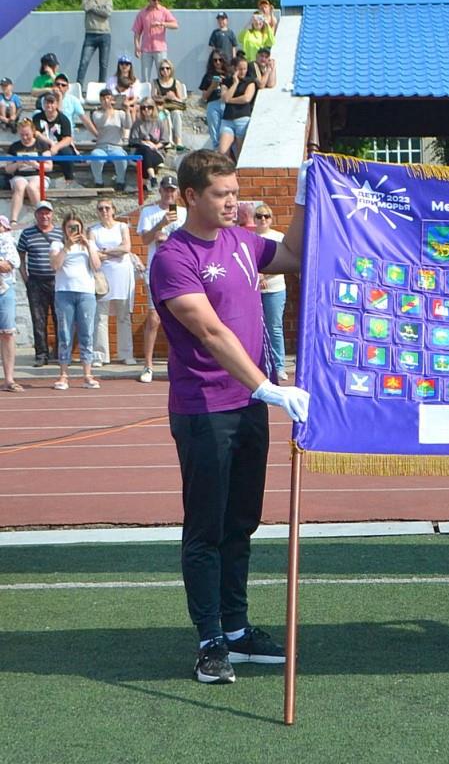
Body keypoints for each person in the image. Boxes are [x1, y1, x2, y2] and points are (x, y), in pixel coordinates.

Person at [148, 149, 309, 684]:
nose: (232, 203)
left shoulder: (242, 241)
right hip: (206, 410)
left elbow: (293, 254)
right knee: (207, 528)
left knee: (241, 522)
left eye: (235, 193)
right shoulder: (173, 257)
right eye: (221, 194)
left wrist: (305, 196)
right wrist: (267, 385)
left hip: (249, 407)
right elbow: (211, 331)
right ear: (191, 196)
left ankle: (237, 630)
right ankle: (209, 640)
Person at [136, 174, 186, 383]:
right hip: (156, 270)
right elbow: (145, 239)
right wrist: (161, 225)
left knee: (180, 320)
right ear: (160, 191)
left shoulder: (185, 213)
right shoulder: (148, 212)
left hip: (179, 272)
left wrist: (169, 238)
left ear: (178, 192)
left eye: (172, 190)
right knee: (154, 318)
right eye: (166, 189)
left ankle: (179, 364)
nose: (169, 193)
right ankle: (148, 366)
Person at [50, 212, 103, 390]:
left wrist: (88, 245)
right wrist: (67, 247)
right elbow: (55, 265)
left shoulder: (89, 244)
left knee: (86, 333)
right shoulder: (58, 244)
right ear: (64, 229)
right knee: (64, 333)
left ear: (82, 228)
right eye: (70, 227)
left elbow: (97, 266)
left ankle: (87, 374)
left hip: (86, 293)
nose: (73, 230)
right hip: (64, 293)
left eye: (76, 227)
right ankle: (63, 374)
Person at [89, 199, 135, 366]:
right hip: (102, 277)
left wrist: (106, 251)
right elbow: (93, 253)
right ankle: (100, 356)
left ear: (113, 210)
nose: (104, 211)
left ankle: (126, 354)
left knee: (124, 316)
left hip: (123, 275)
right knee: (100, 318)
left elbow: (126, 248)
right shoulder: (93, 230)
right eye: (100, 208)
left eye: (107, 208)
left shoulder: (122, 226)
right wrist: (116, 252)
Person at [18, 201, 61, 366]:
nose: (44, 216)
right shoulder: (27, 233)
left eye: (47, 213)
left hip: (57, 281)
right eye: (41, 213)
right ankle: (41, 355)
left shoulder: (60, 232)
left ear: (52, 214)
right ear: (36, 215)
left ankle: (59, 353)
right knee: (38, 320)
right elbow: (21, 257)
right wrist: (26, 278)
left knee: (60, 318)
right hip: (36, 282)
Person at [254, 203, 287, 381]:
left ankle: (279, 366)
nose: (263, 219)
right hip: (253, 291)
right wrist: (258, 277)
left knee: (274, 327)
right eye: (259, 216)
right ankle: (259, 367)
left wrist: (264, 276)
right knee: (256, 329)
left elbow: (284, 263)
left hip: (275, 289)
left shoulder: (278, 237)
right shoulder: (250, 238)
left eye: (266, 216)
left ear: (271, 218)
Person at [5, 118, 52, 226]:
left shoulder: (42, 145)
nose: (25, 138)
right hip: (20, 176)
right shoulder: (14, 147)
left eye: (27, 134)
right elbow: (8, 169)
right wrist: (18, 164)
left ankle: (41, 217)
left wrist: (35, 164)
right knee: (20, 186)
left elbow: (49, 166)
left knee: (32, 187)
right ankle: (13, 220)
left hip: (38, 175)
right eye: (22, 135)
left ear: (33, 132)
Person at [33, 92, 81, 188]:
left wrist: (56, 147)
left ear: (56, 104)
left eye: (52, 103)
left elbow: (68, 138)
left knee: (67, 153)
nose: (49, 105)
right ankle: (38, 179)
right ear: (43, 104)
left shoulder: (63, 119)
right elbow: (36, 133)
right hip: (42, 146)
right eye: (47, 102)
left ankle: (69, 179)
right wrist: (50, 143)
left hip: (59, 147)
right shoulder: (37, 117)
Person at [88, 88, 131, 190]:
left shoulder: (120, 113)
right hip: (101, 146)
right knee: (95, 156)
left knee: (121, 158)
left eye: (107, 98)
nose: (105, 101)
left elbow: (128, 125)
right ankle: (98, 182)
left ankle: (120, 181)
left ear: (112, 99)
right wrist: (107, 110)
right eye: (103, 99)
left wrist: (127, 110)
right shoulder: (96, 113)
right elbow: (101, 124)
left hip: (116, 146)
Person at [132, 0, 178, 83]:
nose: (156, 2)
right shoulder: (142, 13)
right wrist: (137, 46)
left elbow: (175, 25)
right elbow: (137, 32)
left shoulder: (163, 11)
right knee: (145, 76)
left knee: (163, 74)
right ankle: (146, 91)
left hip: (160, 48)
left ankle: (163, 91)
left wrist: (162, 24)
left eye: (159, 0)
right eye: (154, 0)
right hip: (146, 48)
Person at [218, 56, 256, 160]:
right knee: (222, 151)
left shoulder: (250, 82)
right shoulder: (227, 82)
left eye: (245, 69)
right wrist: (235, 83)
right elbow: (224, 97)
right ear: (234, 68)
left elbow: (246, 98)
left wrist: (229, 100)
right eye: (240, 69)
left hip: (242, 118)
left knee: (240, 153)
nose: (243, 71)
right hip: (227, 119)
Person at [129, 97, 170, 192]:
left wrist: (155, 146)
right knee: (145, 150)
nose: (146, 110)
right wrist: (145, 143)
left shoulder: (159, 122)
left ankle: (144, 184)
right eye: (143, 108)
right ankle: (152, 177)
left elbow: (165, 140)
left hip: (156, 151)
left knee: (145, 156)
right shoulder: (137, 123)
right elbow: (132, 141)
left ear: (153, 108)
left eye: (149, 107)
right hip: (140, 150)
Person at [0, 214, 22, 392]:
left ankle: (8, 379)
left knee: (7, 333)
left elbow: (12, 264)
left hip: (5, 289)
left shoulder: (8, 242)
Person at [77, 0, 113, 87]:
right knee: (84, 62)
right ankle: (79, 87)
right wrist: (98, 6)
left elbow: (107, 12)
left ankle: (101, 88)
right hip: (90, 34)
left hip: (104, 34)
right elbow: (85, 7)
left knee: (103, 64)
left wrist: (93, 8)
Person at [152, 59, 187, 150]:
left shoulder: (176, 83)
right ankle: (168, 140)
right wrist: (165, 97)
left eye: (167, 68)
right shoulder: (155, 83)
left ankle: (178, 141)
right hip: (161, 108)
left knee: (176, 113)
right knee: (165, 114)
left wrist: (174, 97)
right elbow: (153, 99)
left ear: (171, 69)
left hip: (174, 107)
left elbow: (181, 101)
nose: (165, 70)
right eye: (162, 68)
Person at [199, 52, 229, 149]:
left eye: (220, 60)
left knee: (226, 130)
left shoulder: (229, 74)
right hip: (213, 103)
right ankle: (217, 150)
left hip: (227, 104)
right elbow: (204, 97)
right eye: (215, 60)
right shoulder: (208, 76)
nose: (218, 62)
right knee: (215, 132)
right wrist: (212, 86)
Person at [107, 56, 141, 121]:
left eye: (127, 64)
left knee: (135, 109)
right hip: (114, 103)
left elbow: (135, 98)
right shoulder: (111, 79)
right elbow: (107, 94)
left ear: (130, 66)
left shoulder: (135, 81)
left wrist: (129, 103)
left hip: (128, 104)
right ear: (118, 65)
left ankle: (133, 126)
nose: (124, 66)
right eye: (122, 63)